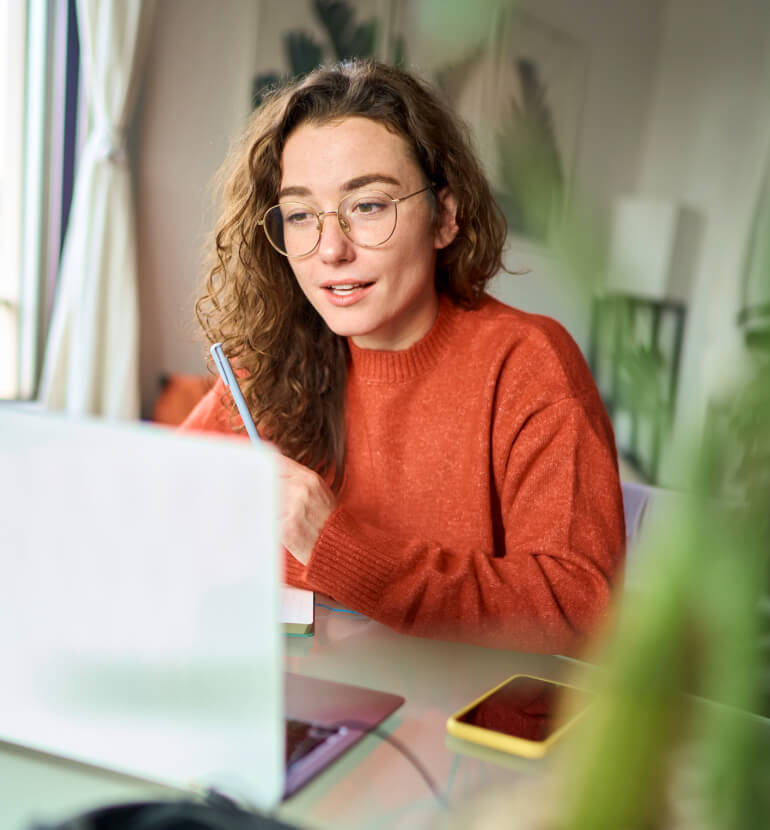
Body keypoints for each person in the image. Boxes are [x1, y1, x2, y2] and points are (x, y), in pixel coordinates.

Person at [181, 59, 625, 654]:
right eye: (301, 214)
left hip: (454, 731)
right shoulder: (267, 361)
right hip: (286, 713)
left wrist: (336, 545)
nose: (330, 250)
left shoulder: (527, 363)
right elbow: (154, 511)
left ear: (444, 217)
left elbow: (577, 610)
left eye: (368, 206)